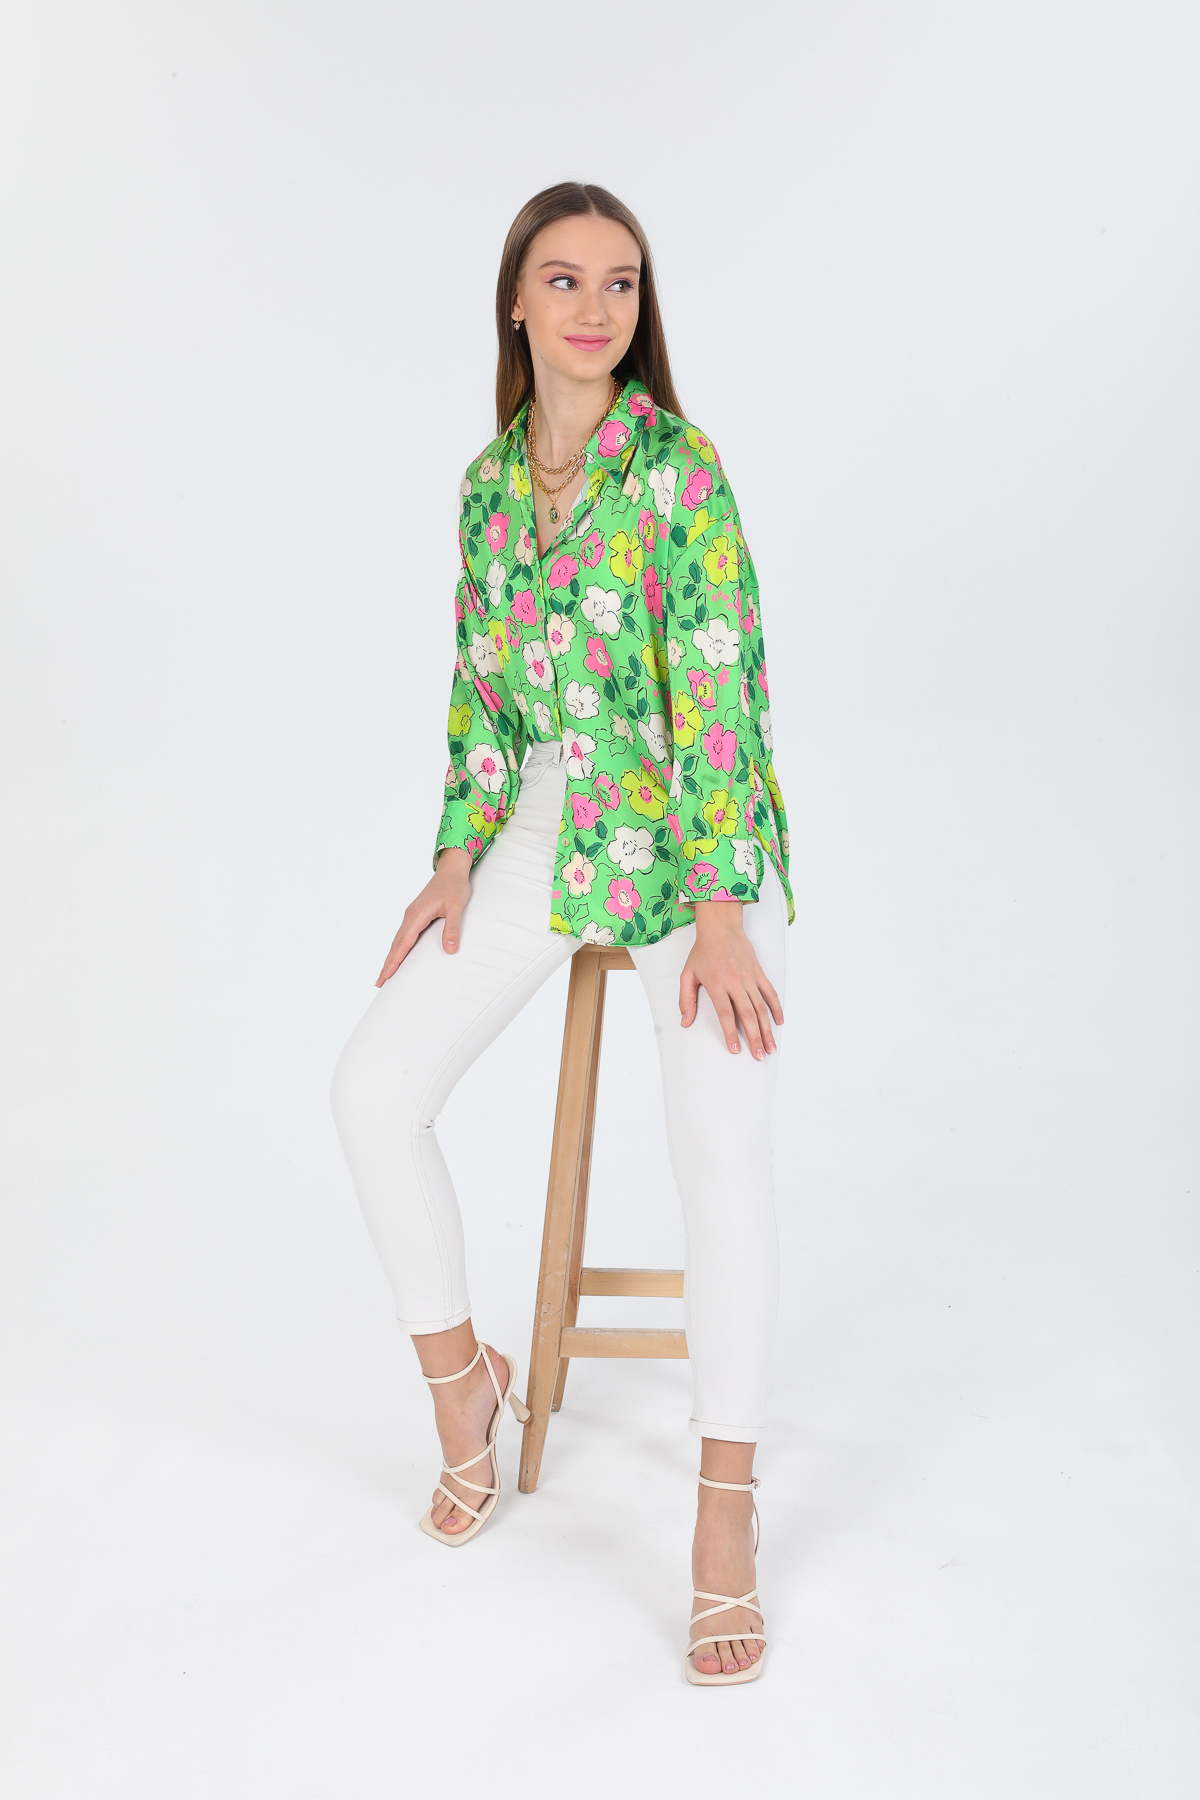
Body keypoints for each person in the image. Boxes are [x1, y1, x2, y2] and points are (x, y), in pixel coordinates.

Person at [331, 182, 794, 1686]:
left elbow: (720, 689)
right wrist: (457, 855)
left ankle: (724, 1506)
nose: (597, 307)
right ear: (517, 304)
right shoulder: (486, 487)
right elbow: (481, 689)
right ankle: (463, 1388)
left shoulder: (678, 469)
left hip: (690, 845)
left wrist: (721, 911)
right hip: (545, 825)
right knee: (372, 1093)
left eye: (622, 282)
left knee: (718, 1145)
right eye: (566, 279)